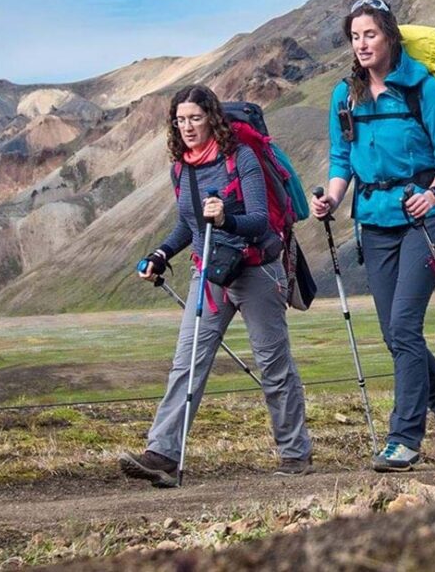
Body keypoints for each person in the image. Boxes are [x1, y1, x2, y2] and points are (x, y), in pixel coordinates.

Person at [119, 85, 313, 487]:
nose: (188, 127)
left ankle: (295, 453)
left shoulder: (241, 158)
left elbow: (259, 219)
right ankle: (162, 454)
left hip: (258, 269)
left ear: (212, 118)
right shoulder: (182, 169)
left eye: (195, 118)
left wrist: (226, 220)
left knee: (273, 365)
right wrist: (160, 254)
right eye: (180, 120)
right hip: (208, 273)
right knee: (187, 362)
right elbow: (186, 227)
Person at [310, 0, 435, 472]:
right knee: (393, 332)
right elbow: (342, 160)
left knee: (404, 326)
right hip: (374, 221)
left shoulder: (423, 89)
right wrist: (332, 200)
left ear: (390, 36)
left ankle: (404, 439)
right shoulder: (345, 96)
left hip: (425, 219)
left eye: (370, 35)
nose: (361, 44)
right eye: (354, 36)